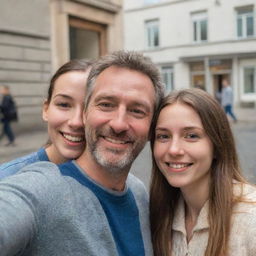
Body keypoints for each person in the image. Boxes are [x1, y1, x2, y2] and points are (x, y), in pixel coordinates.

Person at [0, 50, 164, 256]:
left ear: (152, 127)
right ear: (87, 113)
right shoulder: (40, 189)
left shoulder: (138, 191)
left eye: (137, 110)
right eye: (106, 104)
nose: (119, 124)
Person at [150, 88, 256, 256]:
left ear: (217, 146)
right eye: (163, 136)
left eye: (191, 136)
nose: (174, 149)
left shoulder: (250, 219)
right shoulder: (158, 214)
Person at [0, 59, 92, 178]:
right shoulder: (7, 178)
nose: (76, 122)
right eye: (64, 104)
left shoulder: (117, 176)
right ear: (46, 110)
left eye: (89, 107)